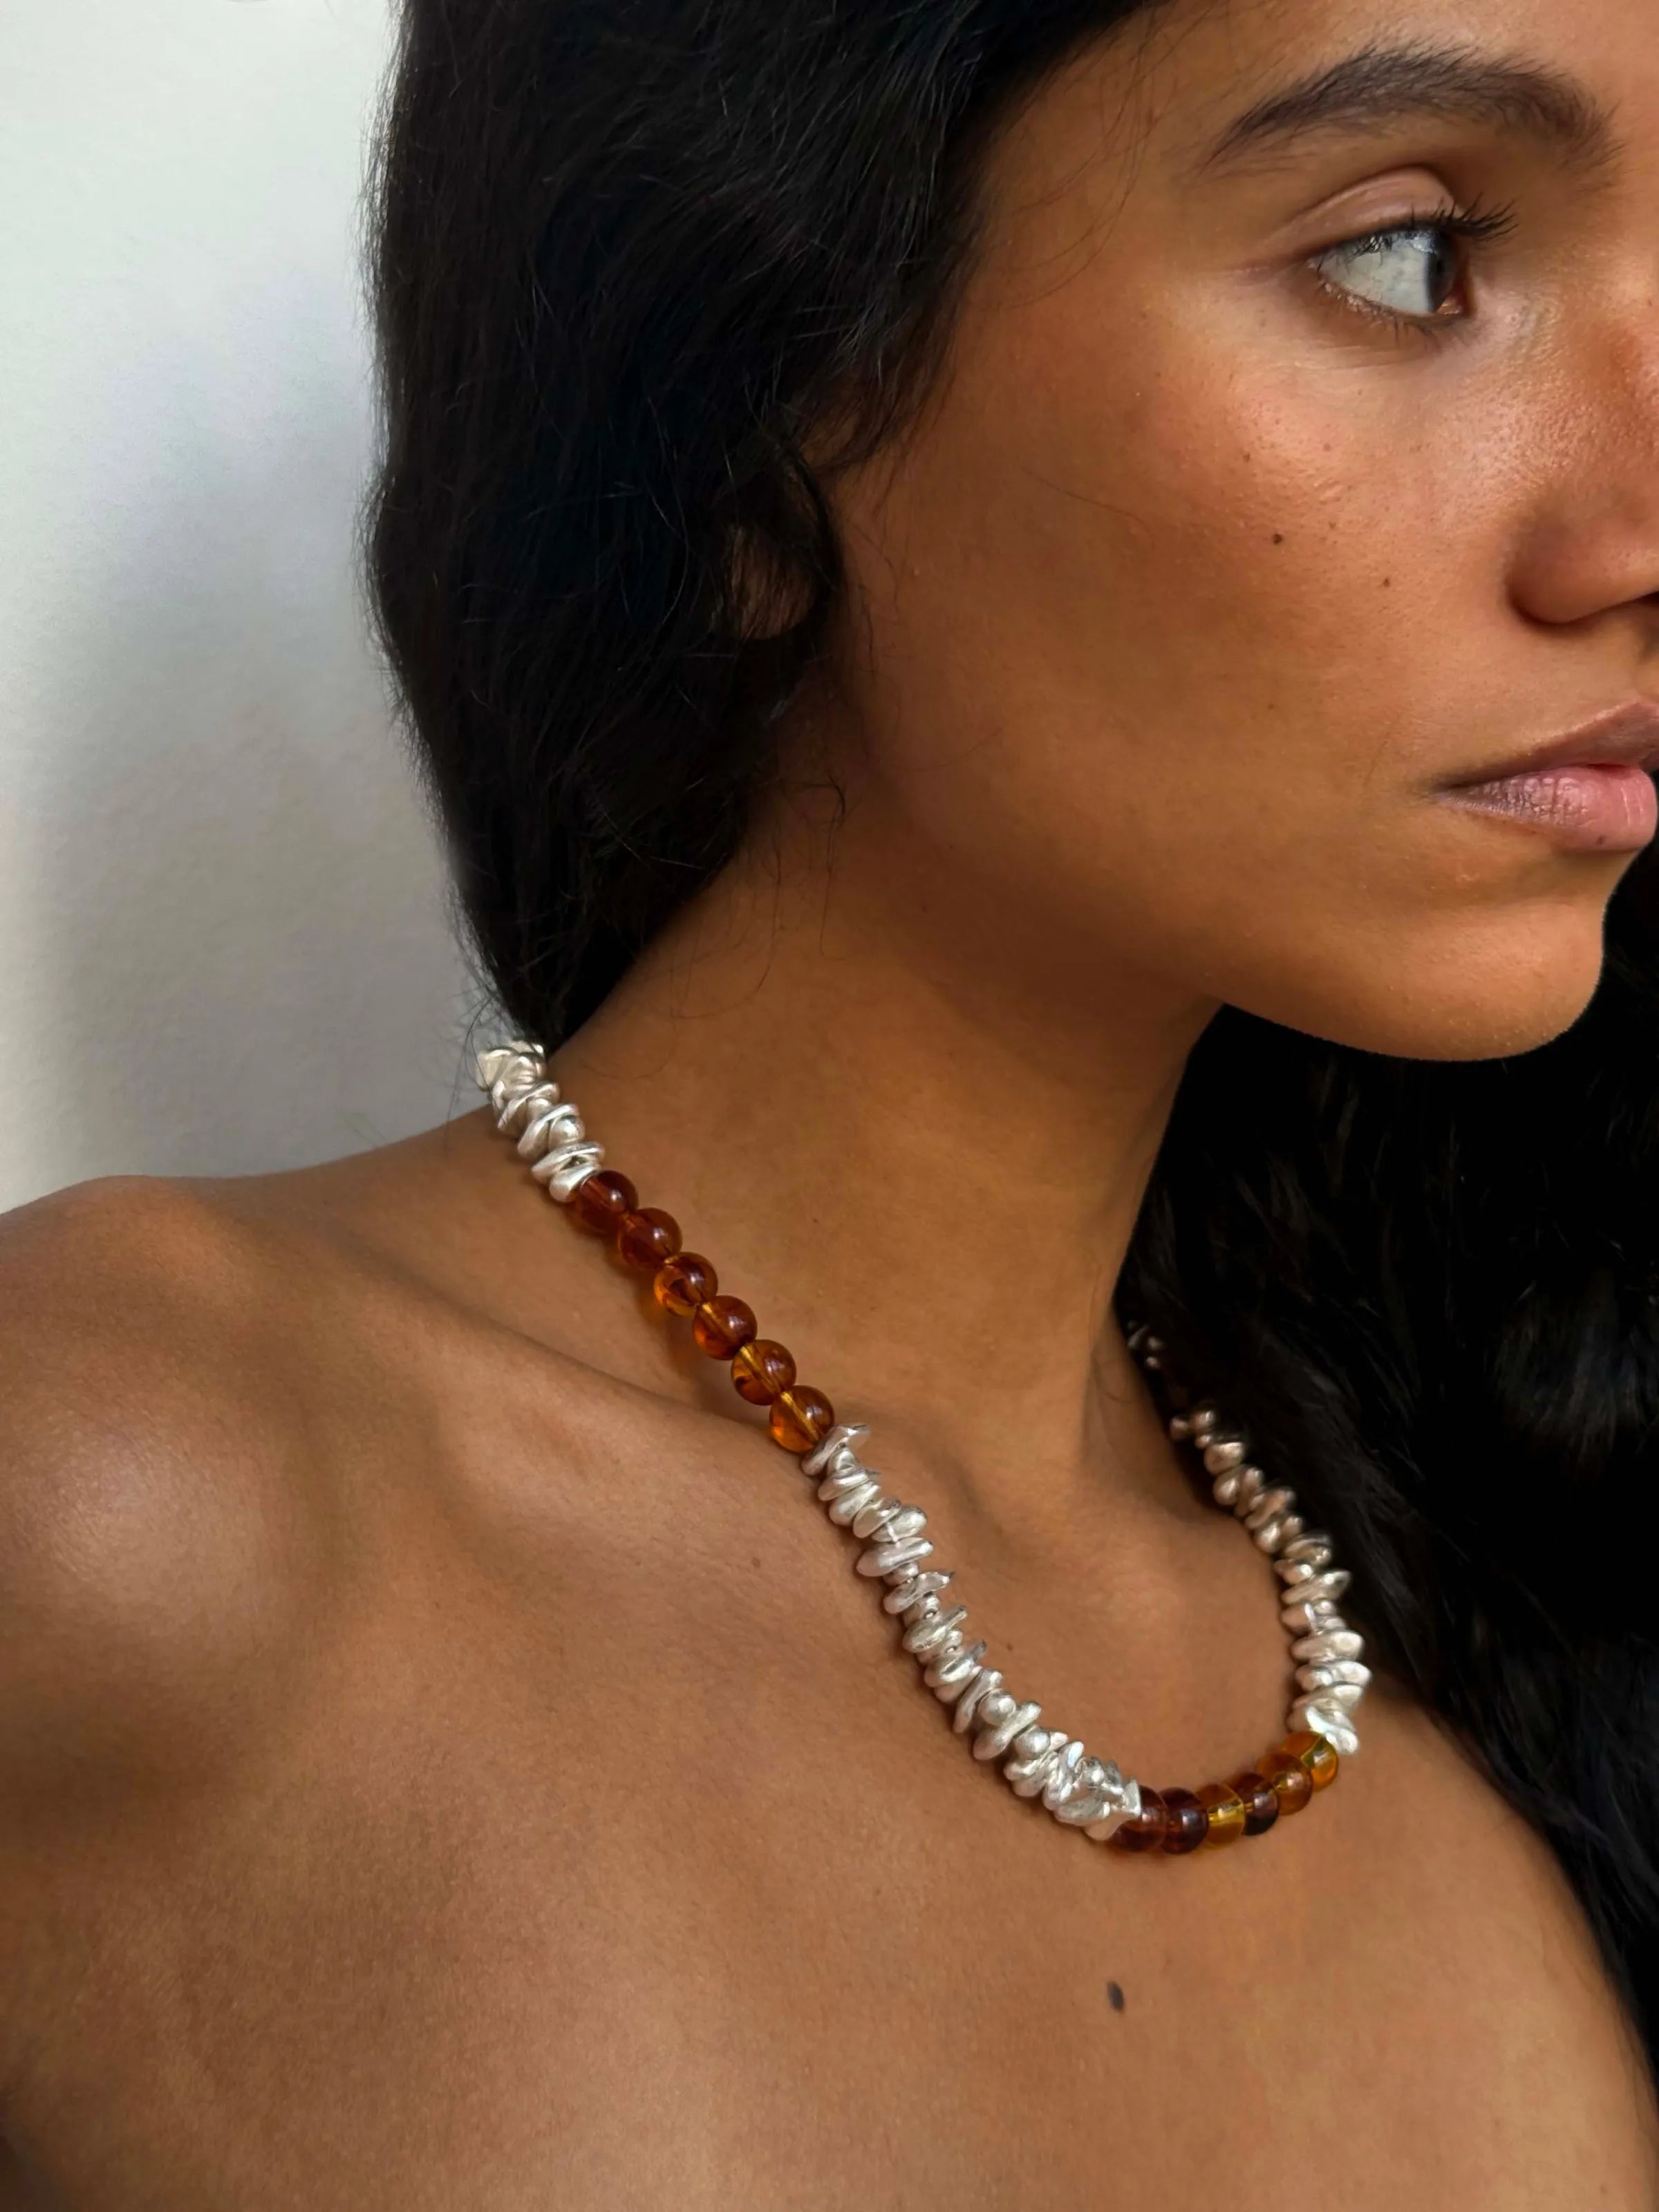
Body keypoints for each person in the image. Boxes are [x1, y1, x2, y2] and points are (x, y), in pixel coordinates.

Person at [2, 0, 1658, 2197]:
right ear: (759, 399)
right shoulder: (118, 1508)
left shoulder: (1489, 1798)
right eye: (1408, 257)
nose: (1635, 527)